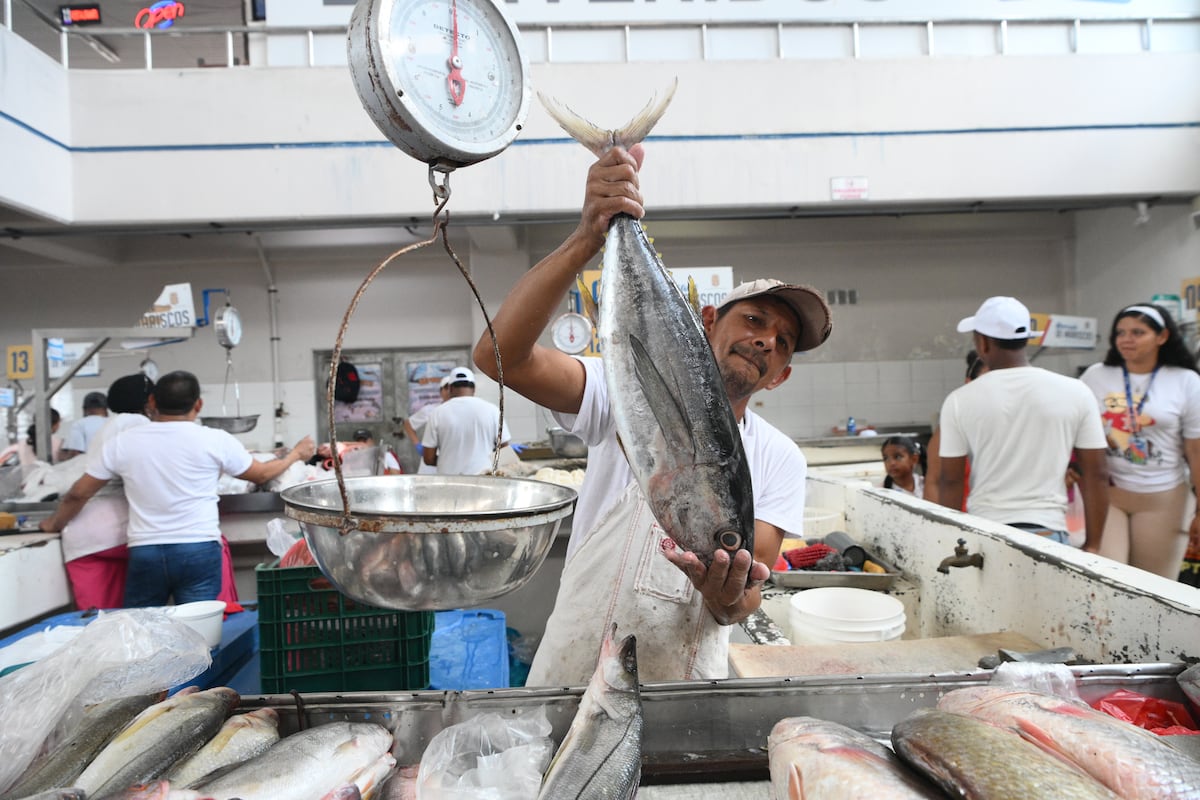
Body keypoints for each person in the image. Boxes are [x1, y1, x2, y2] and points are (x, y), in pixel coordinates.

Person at [471, 142, 829, 685]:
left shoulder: (780, 457)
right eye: (755, 320)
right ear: (707, 321)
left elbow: (747, 587)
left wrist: (726, 598)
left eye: (783, 343)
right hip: (577, 663)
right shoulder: (620, 388)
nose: (766, 341)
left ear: (780, 375)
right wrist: (587, 237)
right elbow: (499, 357)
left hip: (682, 679)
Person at [40, 370, 315, 606]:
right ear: (199, 405)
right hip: (198, 548)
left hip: (146, 550)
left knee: (142, 632)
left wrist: (53, 524)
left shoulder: (123, 442)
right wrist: (295, 455)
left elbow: (79, 493)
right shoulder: (214, 439)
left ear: (152, 401)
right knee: (200, 632)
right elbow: (262, 474)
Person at [935, 296, 1109, 550]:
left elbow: (950, 480)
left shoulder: (959, 400)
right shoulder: (1076, 391)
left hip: (986, 532)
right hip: (1049, 533)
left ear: (983, 343)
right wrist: (1093, 545)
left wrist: (949, 541)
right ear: (1026, 340)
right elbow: (1097, 474)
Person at [1079, 303, 1200, 578]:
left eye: (1137, 332)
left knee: (1153, 584)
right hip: (1107, 495)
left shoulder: (1186, 381)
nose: (1126, 339)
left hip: (1163, 498)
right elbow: (1074, 428)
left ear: (1162, 336)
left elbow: (1195, 450)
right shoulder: (1096, 376)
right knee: (1108, 580)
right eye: (1120, 332)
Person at [59, 374, 155, 609]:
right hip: (124, 533)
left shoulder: (109, 426)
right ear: (150, 401)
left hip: (85, 539)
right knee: (136, 620)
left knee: (98, 623)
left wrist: (54, 523)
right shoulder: (139, 424)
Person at [923, 350, 987, 507]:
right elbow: (934, 482)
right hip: (964, 516)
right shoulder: (952, 424)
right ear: (968, 383)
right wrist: (940, 520)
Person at [421, 367, 510, 475]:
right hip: (484, 478)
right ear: (474, 388)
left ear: (450, 388)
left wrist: (449, 461)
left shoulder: (437, 413)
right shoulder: (493, 410)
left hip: (450, 479)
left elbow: (428, 459)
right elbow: (504, 452)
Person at [404, 376, 451, 475]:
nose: (449, 391)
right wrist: (417, 444)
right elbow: (408, 424)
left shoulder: (464, 411)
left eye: (452, 388)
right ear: (441, 391)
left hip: (451, 460)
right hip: (431, 462)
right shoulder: (431, 410)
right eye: (446, 388)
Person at [59, 391, 110, 461]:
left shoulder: (80, 424)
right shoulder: (114, 422)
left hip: (89, 465)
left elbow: (75, 452)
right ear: (106, 409)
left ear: (84, 409)